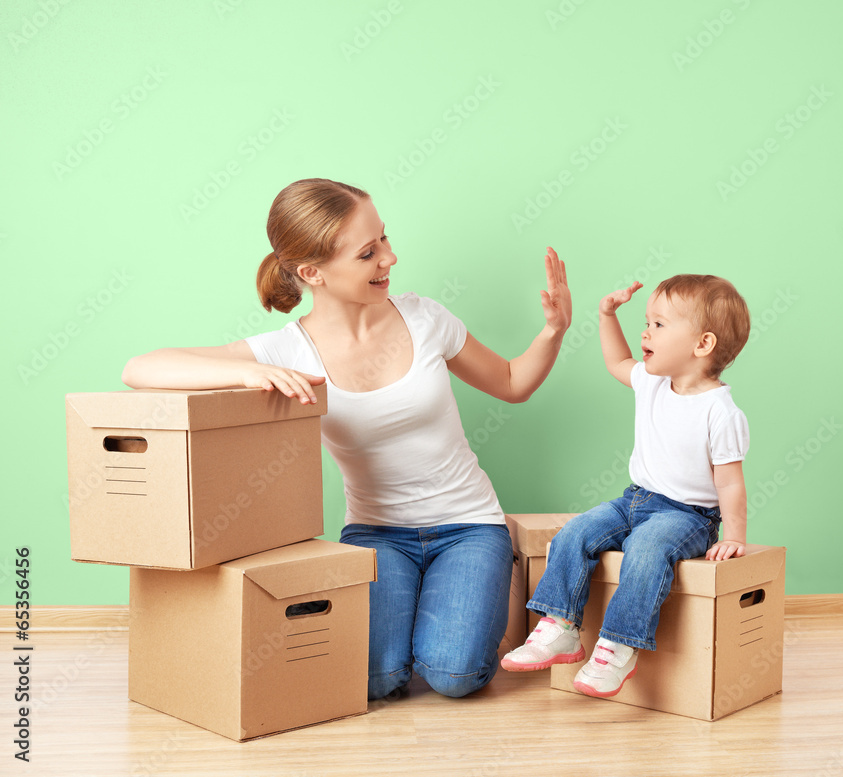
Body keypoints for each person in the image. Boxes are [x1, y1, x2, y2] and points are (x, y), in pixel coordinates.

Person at [122, 178, 572, 700]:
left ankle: (480, 585)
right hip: (377, 535)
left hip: (469, 526)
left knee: (455, 676)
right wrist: (245, 374)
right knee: (375, 679)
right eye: (368, 252)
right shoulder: (286, 350)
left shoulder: (425, 317)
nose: (390, 257)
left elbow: (512, 384)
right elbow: (141, 367)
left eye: (384, 239)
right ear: (313, 272)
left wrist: (553, 332)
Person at [500, 274, 750, 698]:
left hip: (686, 515)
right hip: (633, 499)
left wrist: (735, 536)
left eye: (658, 324)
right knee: (574, 534)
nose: (645, 332)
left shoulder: (721, 412)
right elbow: (617, 361)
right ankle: (560, 626)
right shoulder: (653, 382)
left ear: (702, 345)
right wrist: (605, 314)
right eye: (647, 322)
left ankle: (618, 646)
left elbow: (730, 484)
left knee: (647, 550)